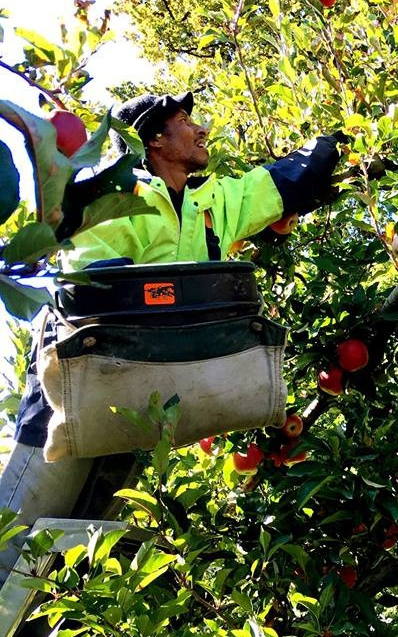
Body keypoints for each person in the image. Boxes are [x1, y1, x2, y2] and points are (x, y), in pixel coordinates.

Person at [0, 91, 344, 583]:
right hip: (83, 380)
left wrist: (332, 149)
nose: (201, 129)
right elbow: (93, 280)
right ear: (155, 139)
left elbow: (275, 186)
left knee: (77, 547)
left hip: (145, 397)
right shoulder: (119, 197)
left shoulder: (212, 202)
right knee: (24, 518)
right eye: (186, 121)